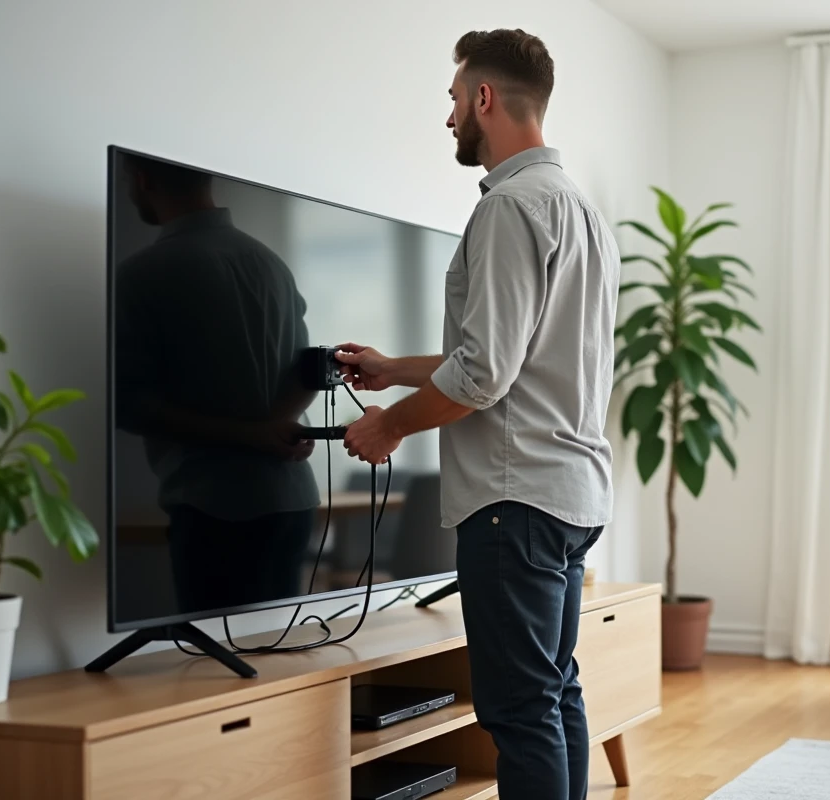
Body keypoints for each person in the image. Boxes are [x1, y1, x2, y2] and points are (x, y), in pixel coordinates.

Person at [336, 28, 620, 800]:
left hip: (513, 503)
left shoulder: (509, 208)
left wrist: (389, 423)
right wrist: (395, 370)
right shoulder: (582, 213)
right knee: (553, 693)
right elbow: (519, 357)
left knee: (519, 708)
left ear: (484, 98)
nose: (451, 117)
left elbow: (486, 373)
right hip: (569, 495)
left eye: (455, 99)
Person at [114, 154, 320, 614]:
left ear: (142, 179)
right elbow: (310, 370)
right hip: (293, 500)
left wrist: (256, 434)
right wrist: (274, 426)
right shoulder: (270, 263)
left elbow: (129, 404)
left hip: (215, 505)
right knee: (278, 650)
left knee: (216, 660)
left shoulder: (142, 273)